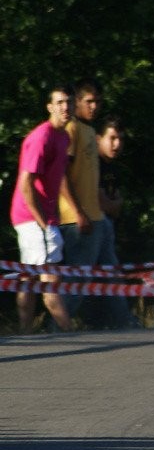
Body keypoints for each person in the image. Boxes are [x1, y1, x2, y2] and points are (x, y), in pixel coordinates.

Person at [9, 85, 75, 333]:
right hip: (30, 216)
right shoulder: (42, 137)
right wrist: (42, 222)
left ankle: (24, 333)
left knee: (29, 276)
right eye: (59, 102)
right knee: (50, 279)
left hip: (45, 217)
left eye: (68, 102)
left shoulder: (64, 136)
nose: (65, 107)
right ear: (50, 107)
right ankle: (68, 331)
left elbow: (57, 179)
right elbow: (26, 184)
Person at [57, 79, 106, 320]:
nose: (94, 106)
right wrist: (77, 212)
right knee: (76, 280)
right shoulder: (72, 129)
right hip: (75, 218)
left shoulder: (90, 130)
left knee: (105, 275)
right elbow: (62, 174)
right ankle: (57, 327)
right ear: (77, 102)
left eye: (97, 101)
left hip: (96, 216)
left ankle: (121, 323)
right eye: (89, 101)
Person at [83, 115, 136, 329]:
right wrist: (113, 204)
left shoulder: (112, 166)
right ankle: (59, 324)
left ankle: (121, 321)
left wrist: (114, 203)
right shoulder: (95, 164)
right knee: (83, 277)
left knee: (110, 275)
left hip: (106, 225)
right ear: (98, 139)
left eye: (120, 139)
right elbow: (104, 203)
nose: (117, 144)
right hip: (92, 224)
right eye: (112, 138)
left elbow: (116, 201)